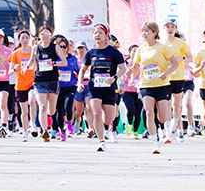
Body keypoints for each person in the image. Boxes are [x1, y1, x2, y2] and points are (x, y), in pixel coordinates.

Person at [126, 22, 180, 154]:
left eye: (147, 31)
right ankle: (155, 143)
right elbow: (136, 66)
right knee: (149, 112)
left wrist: (166, 73)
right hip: (146, 85)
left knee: (162, 116)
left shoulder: (163, 47)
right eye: (143, 31)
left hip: (162, 85)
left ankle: (167, 130)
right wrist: (132, 76)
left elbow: (175, 63)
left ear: (155, 33)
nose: (144, 34)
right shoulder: (140, 49)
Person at [78, 24, 127, 152]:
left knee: (109, 117)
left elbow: (123, 68)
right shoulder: (90, 53)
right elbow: (82, 70)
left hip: (109, 88)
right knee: (96, 112)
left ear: (106, 36)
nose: (97, 35)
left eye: (100, 33)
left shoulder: (113, 52)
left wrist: (115, 78)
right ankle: (101, 141)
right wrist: (79, 83)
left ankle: (106, 128)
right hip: (94, 87)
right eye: (95, 33)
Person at [29, 26, 67, 143]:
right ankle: (45, 131)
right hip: (39, 80)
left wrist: (54, 63)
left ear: (51, 36)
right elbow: (31, 60)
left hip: (53, 80)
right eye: (43, 34)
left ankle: (50, 121)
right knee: (42, 106)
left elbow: (64, 62)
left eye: (47, 34)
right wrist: (25, 68)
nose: (45, 36)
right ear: (39, 36)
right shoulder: (36, 48)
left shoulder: (55, 47)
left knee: (51, 110)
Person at [163, 21, 192, 142]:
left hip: (178, 77)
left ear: (176, 29)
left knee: (177, 105)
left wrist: (182, 58)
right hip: (165, 77)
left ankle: (175, 124)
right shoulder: (161, 43)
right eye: (167, 27)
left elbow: (190, 58)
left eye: (172, 27)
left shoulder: (181, 43)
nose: (170, 29)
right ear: (163, 29)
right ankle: (168, 131)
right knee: (167, 105)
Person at [54, 35, 80, 142]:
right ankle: (62, 131)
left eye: (65, 47)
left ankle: (69, 121)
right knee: (59, 111)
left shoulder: (73, 58)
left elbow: (78, 70)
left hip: (70, 86)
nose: (63, 49)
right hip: (58, 87)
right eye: (60, 47)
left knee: (68, 105)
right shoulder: (55, 59)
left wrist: (82, 79)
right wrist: (56, 72)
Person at [10, 30, 35, 141]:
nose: (25, 40)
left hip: (33, 82)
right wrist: (14, 68)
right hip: (20, 85)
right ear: (19, 40)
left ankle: (33, 122)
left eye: (26, 37)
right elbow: (10, 71)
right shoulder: (15, 54)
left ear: (29, 39)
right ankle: (25, 131)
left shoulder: (33, 51)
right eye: (22, 38)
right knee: (24, 112)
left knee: (33, 99)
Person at [121, 44, 143, 138]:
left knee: (138, 111)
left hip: (138, 90)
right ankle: (129, 124)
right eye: (134, 51)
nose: (135, 53)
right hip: (127, 90)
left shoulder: (141, 64)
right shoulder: (125, 64)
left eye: (137, 51)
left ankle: (135, 131)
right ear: (129, 52)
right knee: (131, 109)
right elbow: (122, 76)